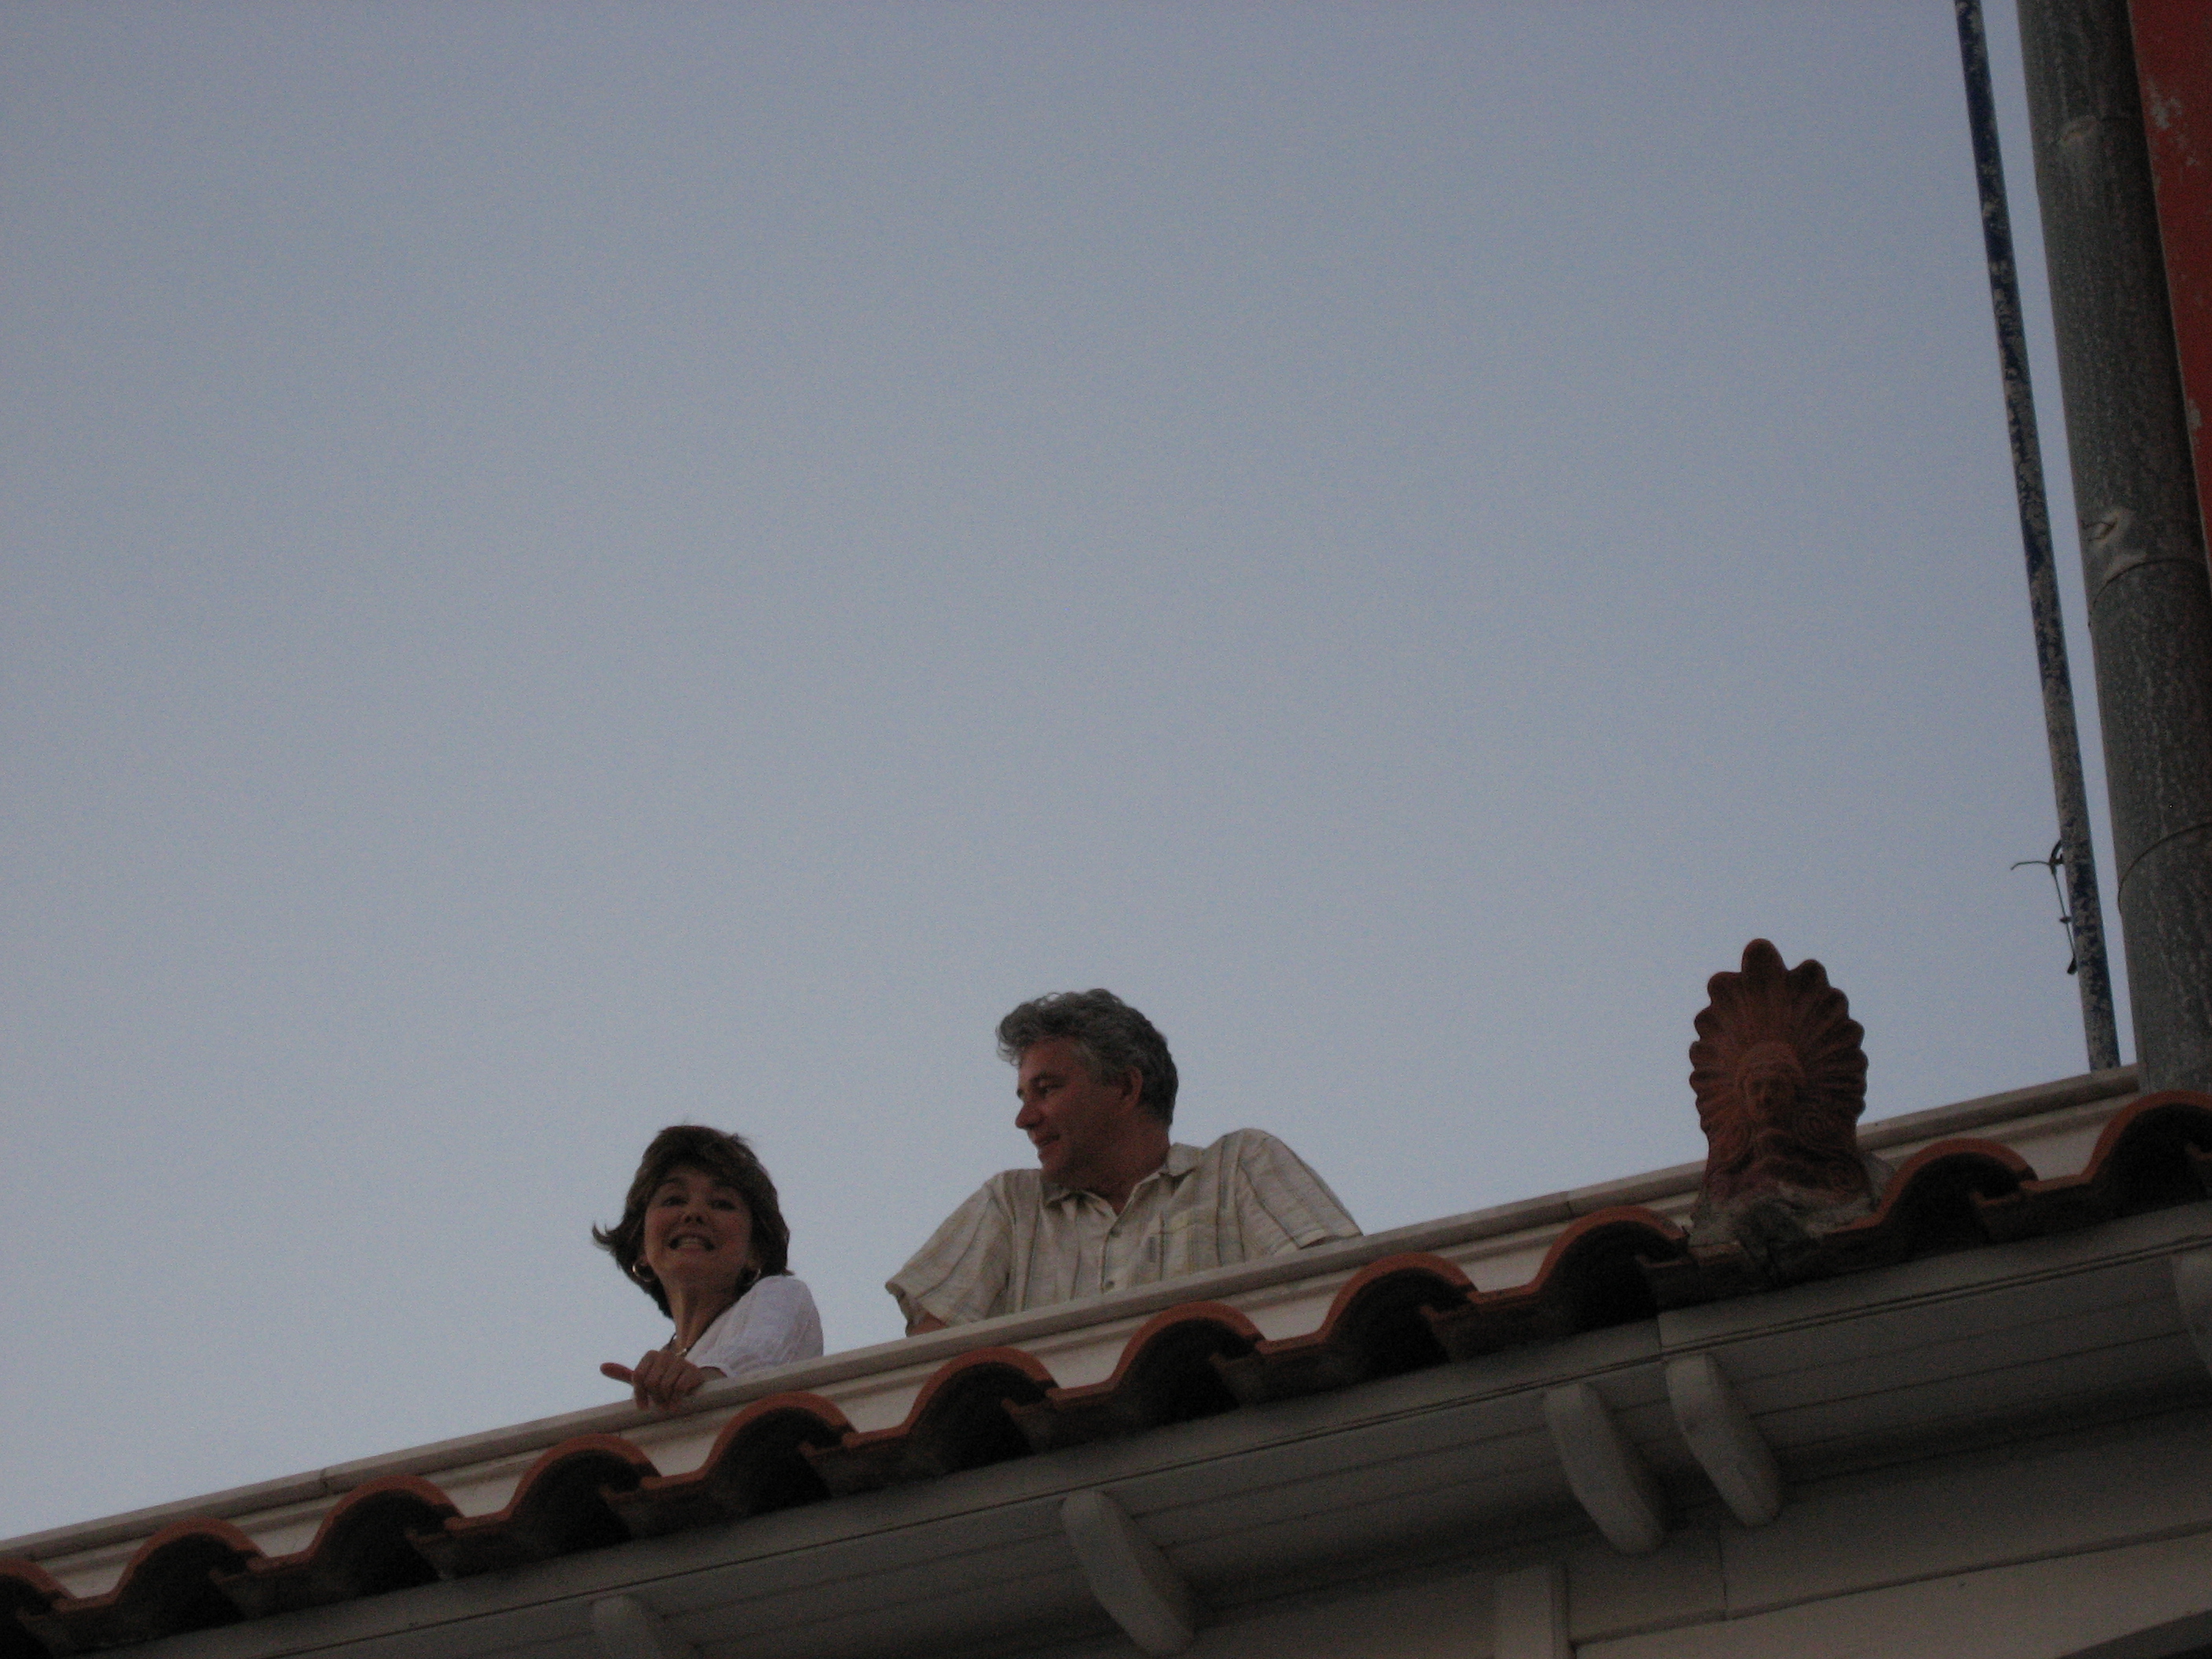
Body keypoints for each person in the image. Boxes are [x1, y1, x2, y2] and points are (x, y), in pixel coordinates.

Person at [888, 990, 1360, 1331]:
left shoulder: (1239, 1166)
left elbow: (1340, 1301)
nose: (1024, 1119)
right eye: (1023, 1096)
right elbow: (929, 1370)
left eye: (1046, 1090)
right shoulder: (1011, 1204)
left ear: (1124, 1088)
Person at [594, 1124, 822, 1408]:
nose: (694, 1214)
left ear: (756, 1252)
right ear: (640, 1248)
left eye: (721, 1203)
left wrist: (705, 1379)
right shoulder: (655, 1378)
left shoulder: (781, 1295)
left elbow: (762, 1354)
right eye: (674, 1200)